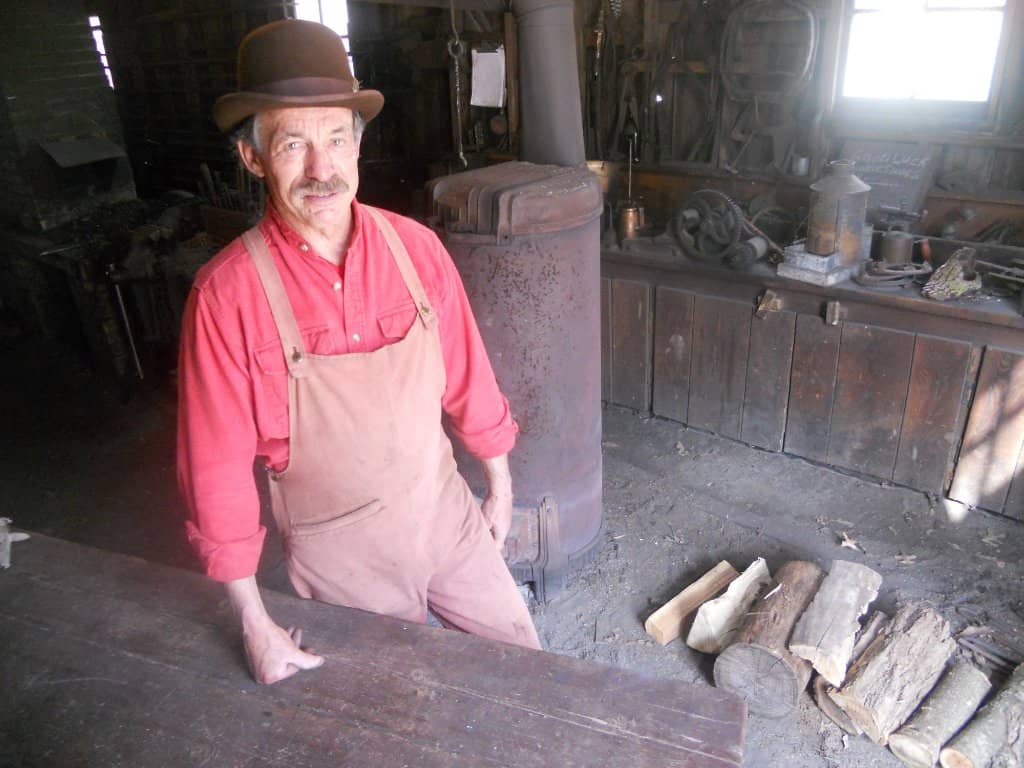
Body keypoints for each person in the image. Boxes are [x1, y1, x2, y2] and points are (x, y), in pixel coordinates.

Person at [177, 18, 541, 685]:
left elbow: (470, 380)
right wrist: (254, 624)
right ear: (253, 158)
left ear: (358, 144)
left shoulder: (416, 250)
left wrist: (500, 487)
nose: (323, 169)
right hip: (341, 562)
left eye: (337, 139)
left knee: (527, 676)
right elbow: (216, 474)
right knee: (387, 715)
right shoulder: (225, 297)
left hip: (445, 518)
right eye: (293, 144)